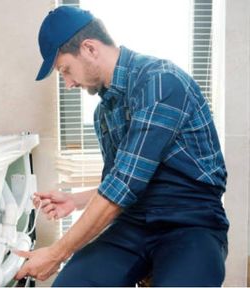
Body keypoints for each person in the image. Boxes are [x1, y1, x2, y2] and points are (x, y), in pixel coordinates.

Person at [15, 6, 229, 287]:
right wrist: (75, 200)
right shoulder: (104, 114)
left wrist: (56, 254)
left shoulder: (161, 82)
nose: (67, 83)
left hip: (191, 223)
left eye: (65, 69)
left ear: (90, 48)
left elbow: (123, 186)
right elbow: (121, 183)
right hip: (134, 224)